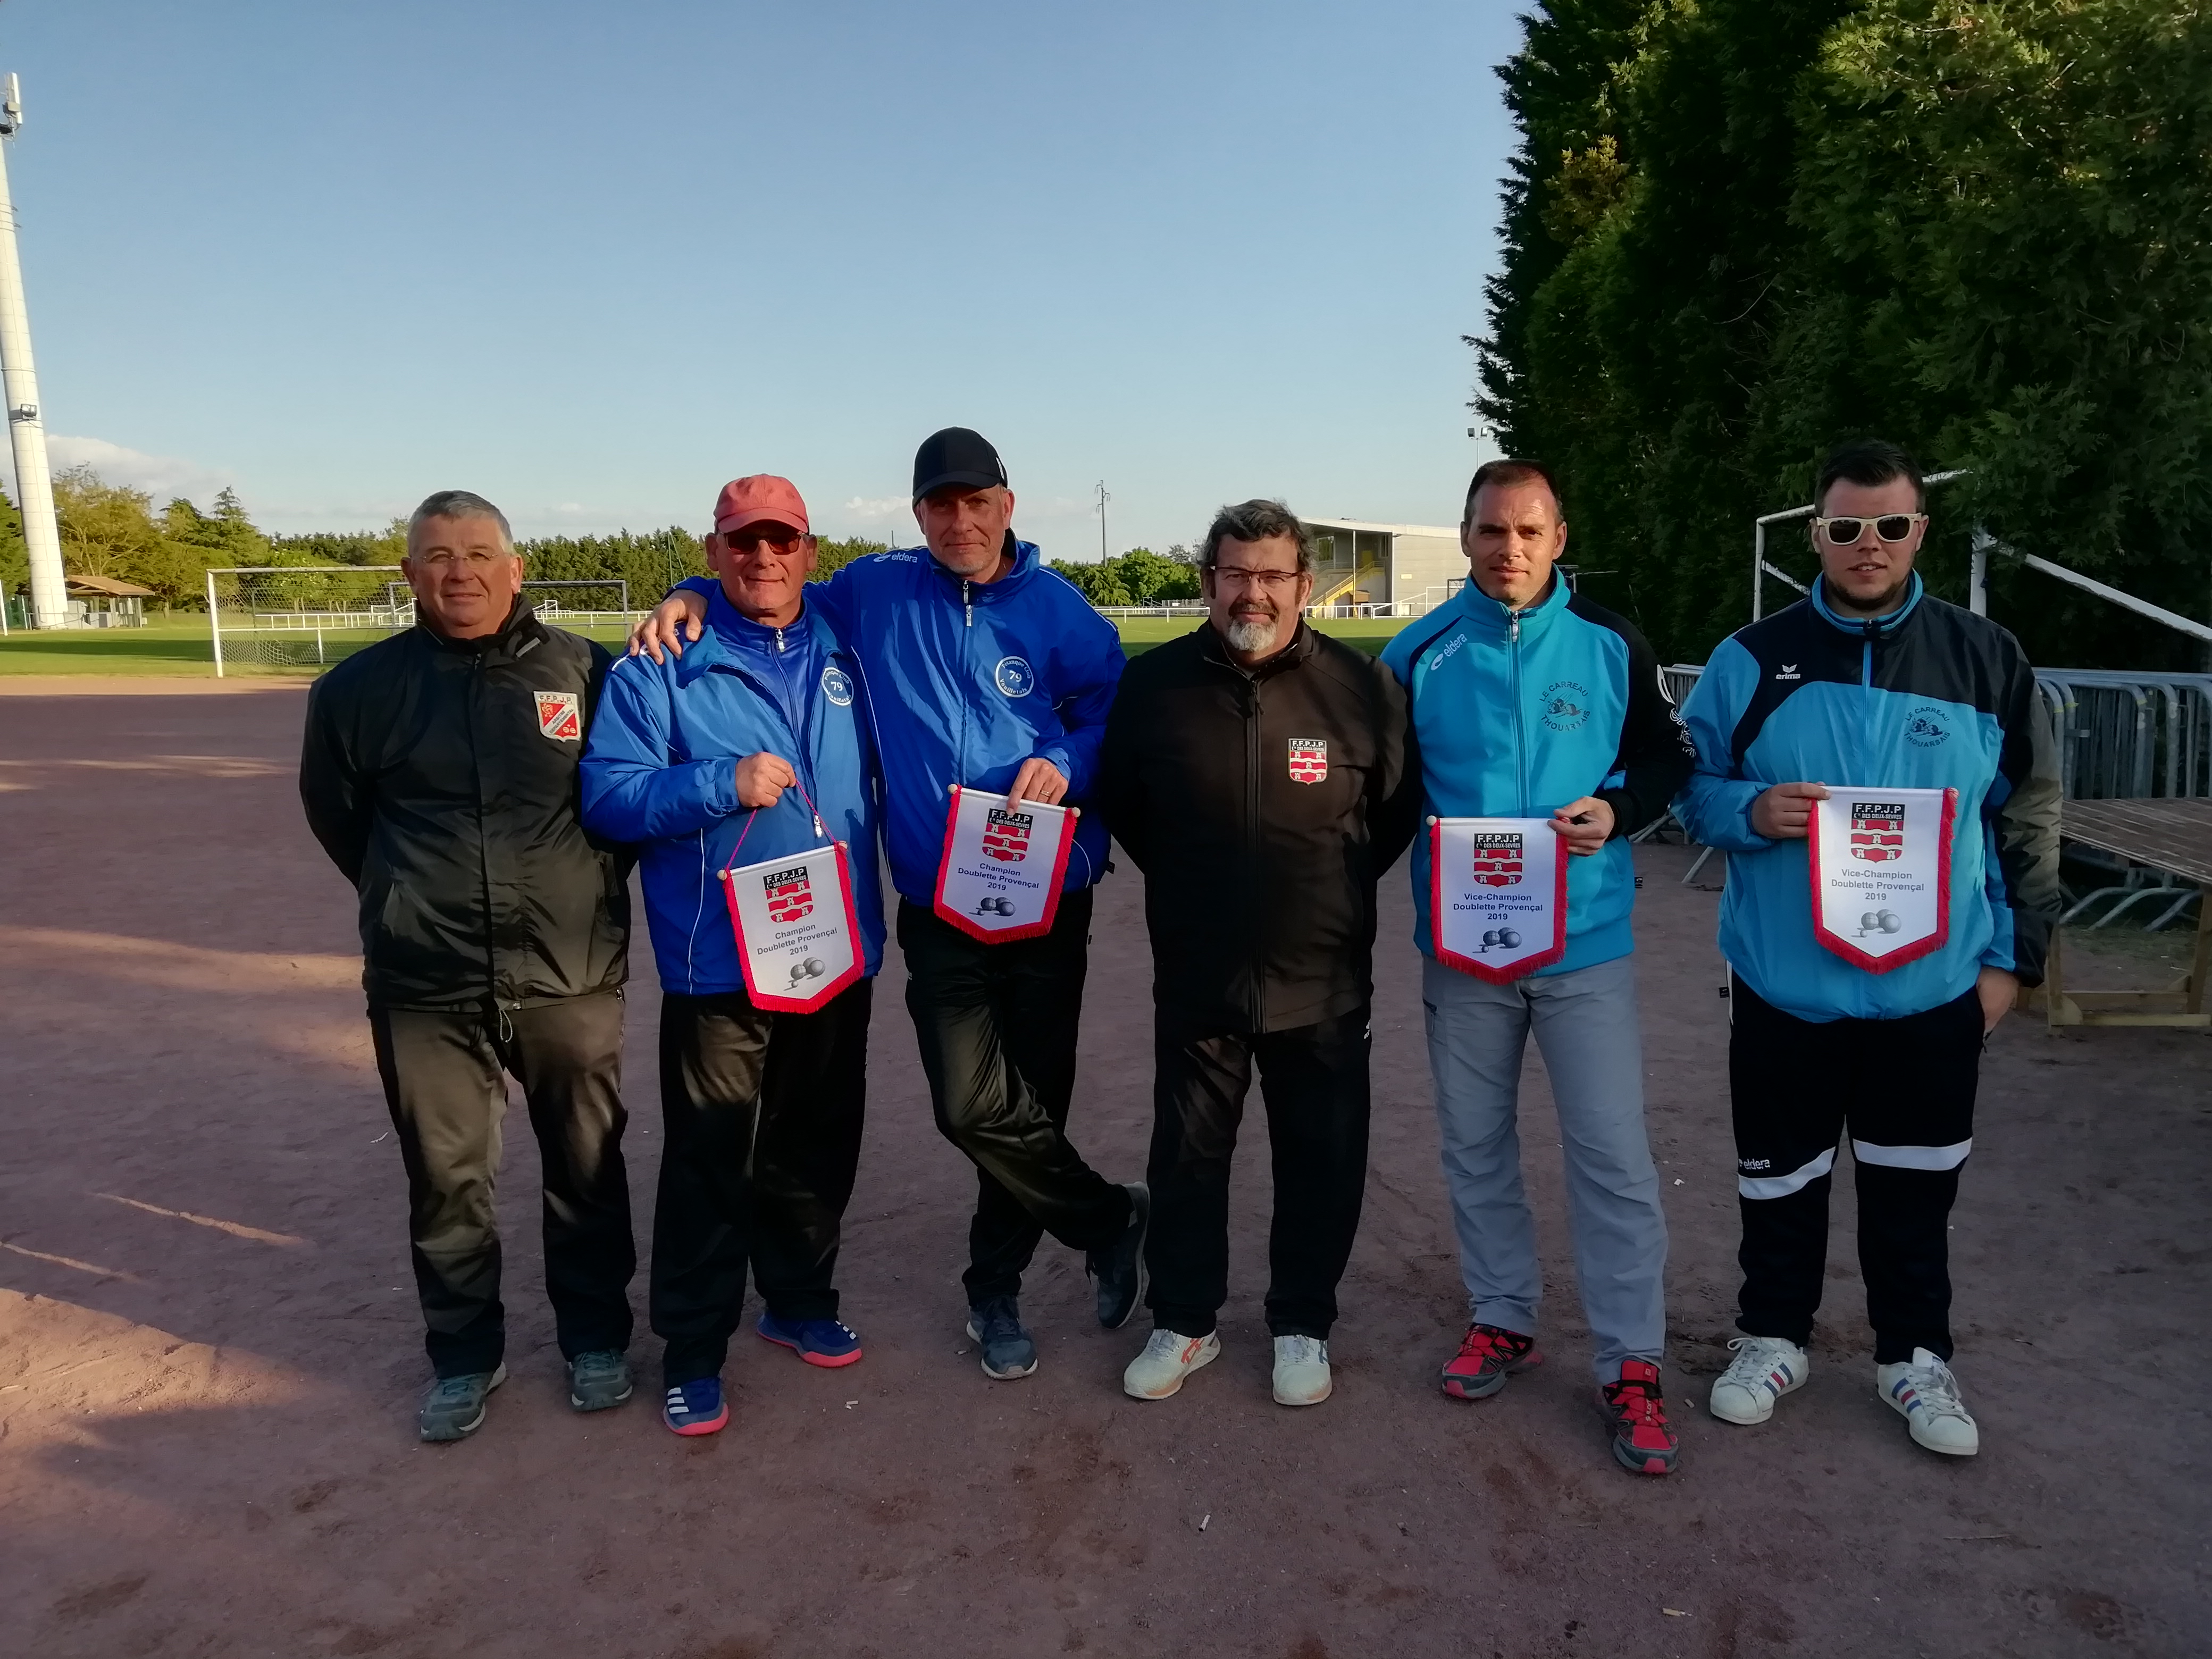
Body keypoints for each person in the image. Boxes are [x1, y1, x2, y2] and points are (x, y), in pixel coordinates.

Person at [630, 429, 1146, 1381]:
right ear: (918, 515)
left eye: (977, 502)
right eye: (941, 505)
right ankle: (1112, 1218)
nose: (961, 522)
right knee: (969, 1105)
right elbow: (770, 591)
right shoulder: (876, 591)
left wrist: (1067, 759)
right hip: (938, 902)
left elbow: (1116, 717)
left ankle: (995, 1288)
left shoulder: (1062, 611)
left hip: (1046, 895)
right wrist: (692, 591)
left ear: (1007, 506)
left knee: (1032, 1101)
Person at [1675, 439, 2060, 1457]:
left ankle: (1913, 1357)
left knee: (1915, 1185)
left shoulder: (1985, 656)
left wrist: (2012, 962)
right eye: (1846, 527)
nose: (1868, 544)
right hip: (1784, 984)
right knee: (1780, 1180)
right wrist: (1750, 809)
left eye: (1890, 525)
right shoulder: (1750, 658)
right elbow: (1689, 785)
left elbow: (2027, 816)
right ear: (1817, 534)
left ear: (1918, 531)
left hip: (1932, 989)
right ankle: (1773, 1337)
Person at [300, 490, 636, 1444]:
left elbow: (625, 805)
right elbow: (340, 820)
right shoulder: (356, 692)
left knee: (587, 1166)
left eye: (480, 553)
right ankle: (463, 1355)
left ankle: (596, 1340)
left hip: (569, 972)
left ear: (515, 568)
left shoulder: (588, 673)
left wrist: (578, 898)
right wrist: (412, 899)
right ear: (410, 574)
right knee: (448, 1178)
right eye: (439, 556)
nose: (461, 572)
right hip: (425, 981)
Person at [1380, 459, 1694, 1476]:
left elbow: (1667, 756)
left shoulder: (1609, 641)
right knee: (1475, 1146)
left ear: (1560, 538)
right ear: (1465, 537)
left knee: (1611, 1153)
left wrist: (1621, 808)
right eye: (1490, 530)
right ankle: (1503, 1315)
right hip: (1462, 948)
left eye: (1528, 531)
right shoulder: (1416, 654)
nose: (1508, 549)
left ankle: (1631, 1359)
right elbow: (1382, 798)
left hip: (1584, 942)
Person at [580, 476, 883, 1437]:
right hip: (719, 961)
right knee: (710, 1157)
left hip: (834, 947)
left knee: (816, 1139)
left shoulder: (849, 641)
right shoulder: (660, 664)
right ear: (713, 553)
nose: (764, 558)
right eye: (743, 543)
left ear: (810, 553)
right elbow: (610, 798)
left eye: (782, 541)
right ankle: (694, 1349)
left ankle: (798, 1298)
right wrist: (720, 781)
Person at [1099, 500, 1417, 1407]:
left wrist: (1321, 895)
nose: (1254, 592)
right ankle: (1185, 1320)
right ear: (1208, 582)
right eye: (1235, 573)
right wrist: (1205, 889)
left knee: (1321, 1156)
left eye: (1273, 575)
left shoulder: (1362, 687)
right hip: (1199, 973)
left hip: (1324, 977)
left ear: (1304, 585)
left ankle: (1301, 1323)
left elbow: (1392, 816)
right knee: (1188, 1155)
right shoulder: (1153, 686)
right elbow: (1128, 808)